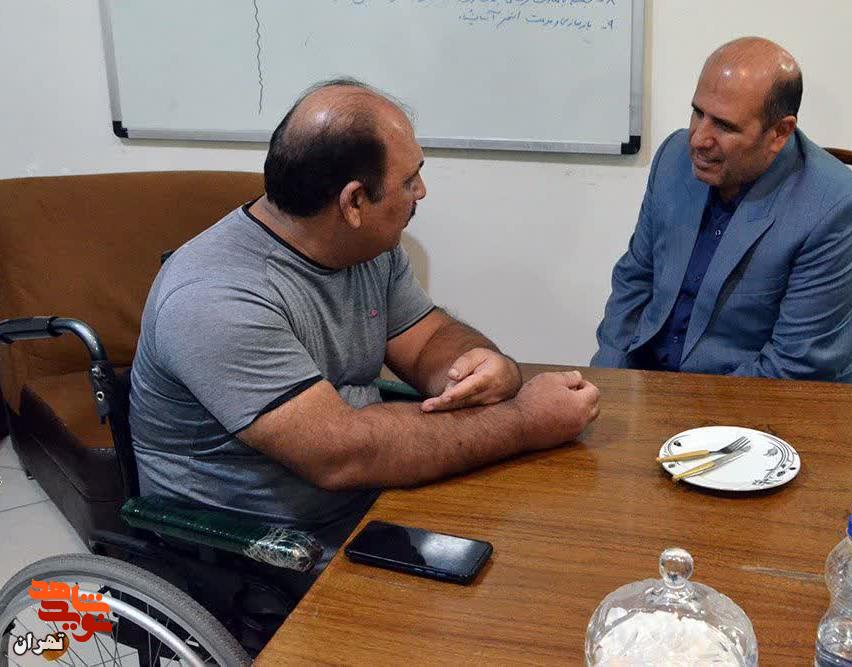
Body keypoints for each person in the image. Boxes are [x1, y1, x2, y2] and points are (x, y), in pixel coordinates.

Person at [130, 78, 600, 536]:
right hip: (261, 550)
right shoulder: (215, 298)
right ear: (353, 202)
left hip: (368, 508)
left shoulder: (367, 248)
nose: (422, 192)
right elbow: (341, 455)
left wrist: (476, 370)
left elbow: (428, 341)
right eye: (409, 180)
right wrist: (526, 420)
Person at [592, 37, 852, 382]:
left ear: (779, 132)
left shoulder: (836, 209)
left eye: (724, 126)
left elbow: (796, 367)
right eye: (698, 112)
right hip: (651, 386)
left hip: (752, 402)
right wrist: (607, 381)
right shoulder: (673, 159)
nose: (698, 139)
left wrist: (675, 407)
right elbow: (634, 279)